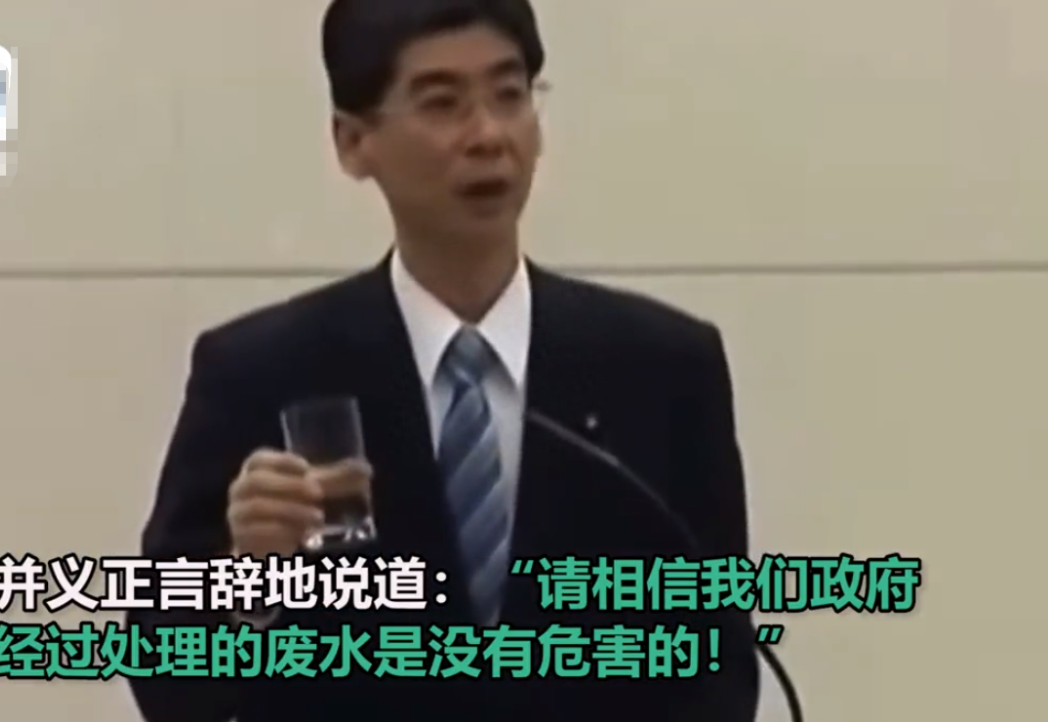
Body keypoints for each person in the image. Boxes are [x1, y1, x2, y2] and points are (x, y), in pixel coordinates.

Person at [128, 1, 760, 720]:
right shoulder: (261, 373)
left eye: (509, 94)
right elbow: (166, 681)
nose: (488, 135)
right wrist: (249, 583)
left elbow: (721, 668)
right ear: (353, 141)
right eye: (442, 103)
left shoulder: (662, 369)